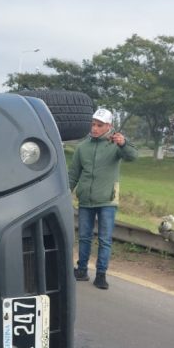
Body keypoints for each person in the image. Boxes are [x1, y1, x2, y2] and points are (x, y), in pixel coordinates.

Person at [68, 106, 138, 289]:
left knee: (105, 239)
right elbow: (73, 174)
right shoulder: (82, 147)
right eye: (93, 124)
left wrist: (123, 143)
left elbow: (132, 156)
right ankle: (81, 269)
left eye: (99, 125)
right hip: (86, 199)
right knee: (84, 237)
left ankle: (101, 274)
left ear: (109, 126)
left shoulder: (116, 145)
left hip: (107, 200)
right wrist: (66, 192)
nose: (95, 128)